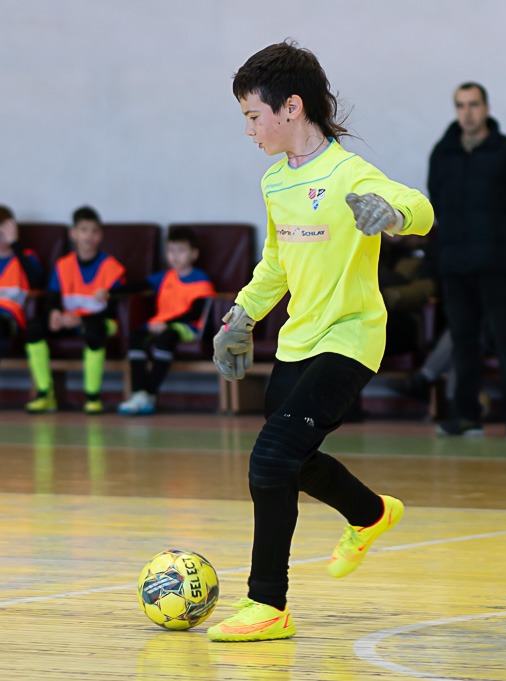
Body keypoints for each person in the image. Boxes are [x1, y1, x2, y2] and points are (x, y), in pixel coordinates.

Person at [205, 41, 433, 642]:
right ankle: (371, 513)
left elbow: (420, 207)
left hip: (351, 338)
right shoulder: (274, 182)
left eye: (254, 116)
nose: (249, 130)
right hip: (296, 342)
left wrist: (392, 214)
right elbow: (275, 263)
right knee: (294, 461)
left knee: (269, 460)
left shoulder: (348, 172)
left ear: (292, 107)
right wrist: (240, 318)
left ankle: (267, 604)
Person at [428, 82, 506, 438]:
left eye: (474, 104)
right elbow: (437, 203)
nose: (467, 112)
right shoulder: (443, 153)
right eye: (461, 105)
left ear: (487, 108)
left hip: (499, 264)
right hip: (455, 264)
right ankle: (466, 416)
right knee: (463, 342)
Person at [25, 206, 125, 414]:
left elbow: (115, 309)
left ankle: (92, 397)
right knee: (34, 328)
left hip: (101, 322)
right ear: (73, 233)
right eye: (83, 230)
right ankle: (45, 394)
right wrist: (54, 313)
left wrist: (81, 320)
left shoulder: (112, 267)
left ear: (101, 235)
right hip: (69, 321)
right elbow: (53, 297)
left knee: (94, 331)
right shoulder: (63, 265)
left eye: (94, 231)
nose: (88, 236)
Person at [117, 226, 215, 415]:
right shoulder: (163, 277)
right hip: (160, 324)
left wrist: (168, 324)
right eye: (171, 250)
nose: (175, 256)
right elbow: (138, 286)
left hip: (188, 327)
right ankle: (138, 393)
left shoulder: (201, 279)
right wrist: (109, 291)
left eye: (181, 250)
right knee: (136, 337)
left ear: (194, 254)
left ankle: (150, 394)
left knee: (166, 337)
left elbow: (197, 312)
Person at [0, 206, 44, 360]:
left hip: (9, 318)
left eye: (3, 233)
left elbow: (36, 282)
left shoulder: (26, 257)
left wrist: (15, 245)